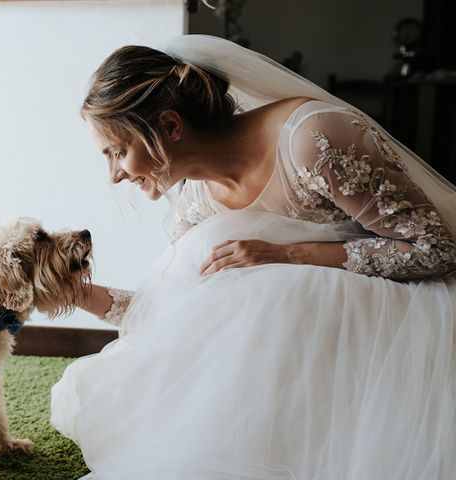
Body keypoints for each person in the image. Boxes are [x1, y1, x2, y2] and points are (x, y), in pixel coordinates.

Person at [50, 34, 456, 480]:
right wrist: (80, 294)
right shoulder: (200, 204)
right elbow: (168, 318)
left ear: (169, 126)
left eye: (119, 152)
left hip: (393, 323)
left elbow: (435, 249)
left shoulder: (312, 139)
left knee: (271, 285)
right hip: (296, 348)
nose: (115, 175)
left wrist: (289, 255)